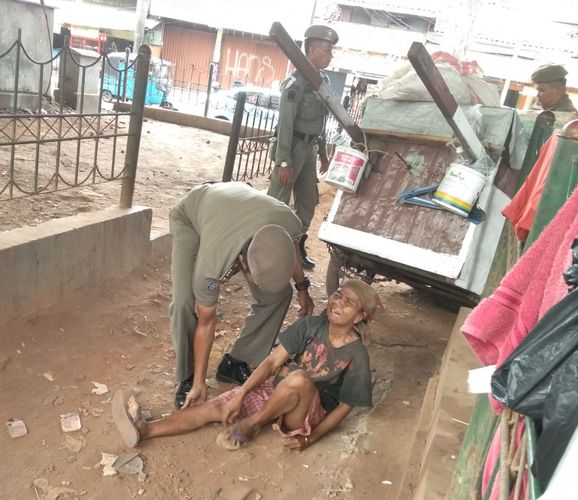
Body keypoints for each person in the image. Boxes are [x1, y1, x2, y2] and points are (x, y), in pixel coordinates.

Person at [111, 279, 382, 450]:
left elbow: (344, 408)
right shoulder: (311, 326)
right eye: (337, 295)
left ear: (360, 316)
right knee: (217, 407)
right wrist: (241, 394)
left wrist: (309, 439)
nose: (338, 303)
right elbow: (271, 362)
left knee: (299, 378)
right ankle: (146, 430)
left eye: (349, 303)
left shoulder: (357, 355)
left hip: (305, 411)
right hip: (280, 391)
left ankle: (252, 425)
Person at [168, 182, 315, 410]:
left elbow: (290, 247)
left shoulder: (290, 223)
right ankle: (188, 376)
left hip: (233, 211)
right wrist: (199, 382)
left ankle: (236, 362)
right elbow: (206, 322)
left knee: (279, 294)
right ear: (243, 264)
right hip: (192, 217)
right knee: (183, 301)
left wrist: (302, 288)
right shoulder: (215, 264)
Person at [268, 24, 339, 271]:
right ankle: (263, 247)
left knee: (307, 203)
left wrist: (323, 154)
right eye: (327, 49)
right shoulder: (294, 83)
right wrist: (283, 161)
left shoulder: (321, 82)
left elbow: (320, 122)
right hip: (292, 148)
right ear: (311, 50)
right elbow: (285, 124)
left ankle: (295, 247)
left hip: (308, 150)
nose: (331, 55)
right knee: (277, 202)